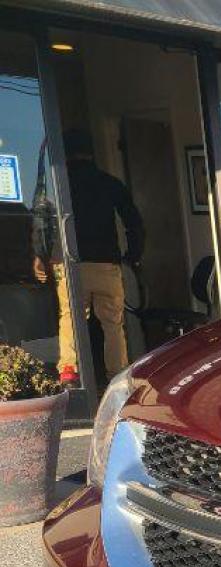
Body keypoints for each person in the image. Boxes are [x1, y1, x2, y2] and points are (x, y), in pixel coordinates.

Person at [31, 129, 144, 381]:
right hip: (106, 263)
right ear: (91, 153)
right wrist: (132, 256)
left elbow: (42, 220)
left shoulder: (57, 185)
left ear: (65, 154)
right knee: (113, 324)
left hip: (69, 263)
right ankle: (117, 375)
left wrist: (41, 254)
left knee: (70, 318)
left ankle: (69, 371)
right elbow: (134, 223)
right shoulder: (110, 183)